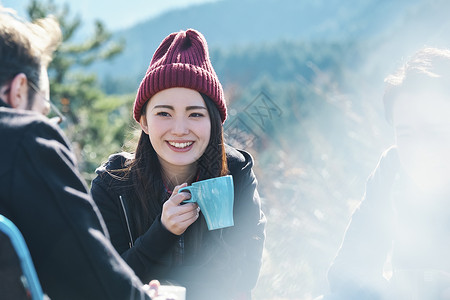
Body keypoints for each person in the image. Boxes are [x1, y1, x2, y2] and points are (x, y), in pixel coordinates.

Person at [91, 28, 266, 300]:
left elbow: (242, 276)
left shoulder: (235, 175)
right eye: (164, 113)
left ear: (214, 122)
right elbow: (104, 282)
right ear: (144, 121)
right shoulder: (113, 185)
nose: (180, 129)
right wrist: (162, 233)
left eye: (195, 114)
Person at [0, 6, 158, 300]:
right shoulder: (24, 138)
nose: (45, 120)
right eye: (45, 110)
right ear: (19, 90)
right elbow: (94, 279)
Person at [327, 47, 450, 299]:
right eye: (405, 133)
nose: (419, 149)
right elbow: (349, 270)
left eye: (434, 131)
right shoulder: (393, 169)